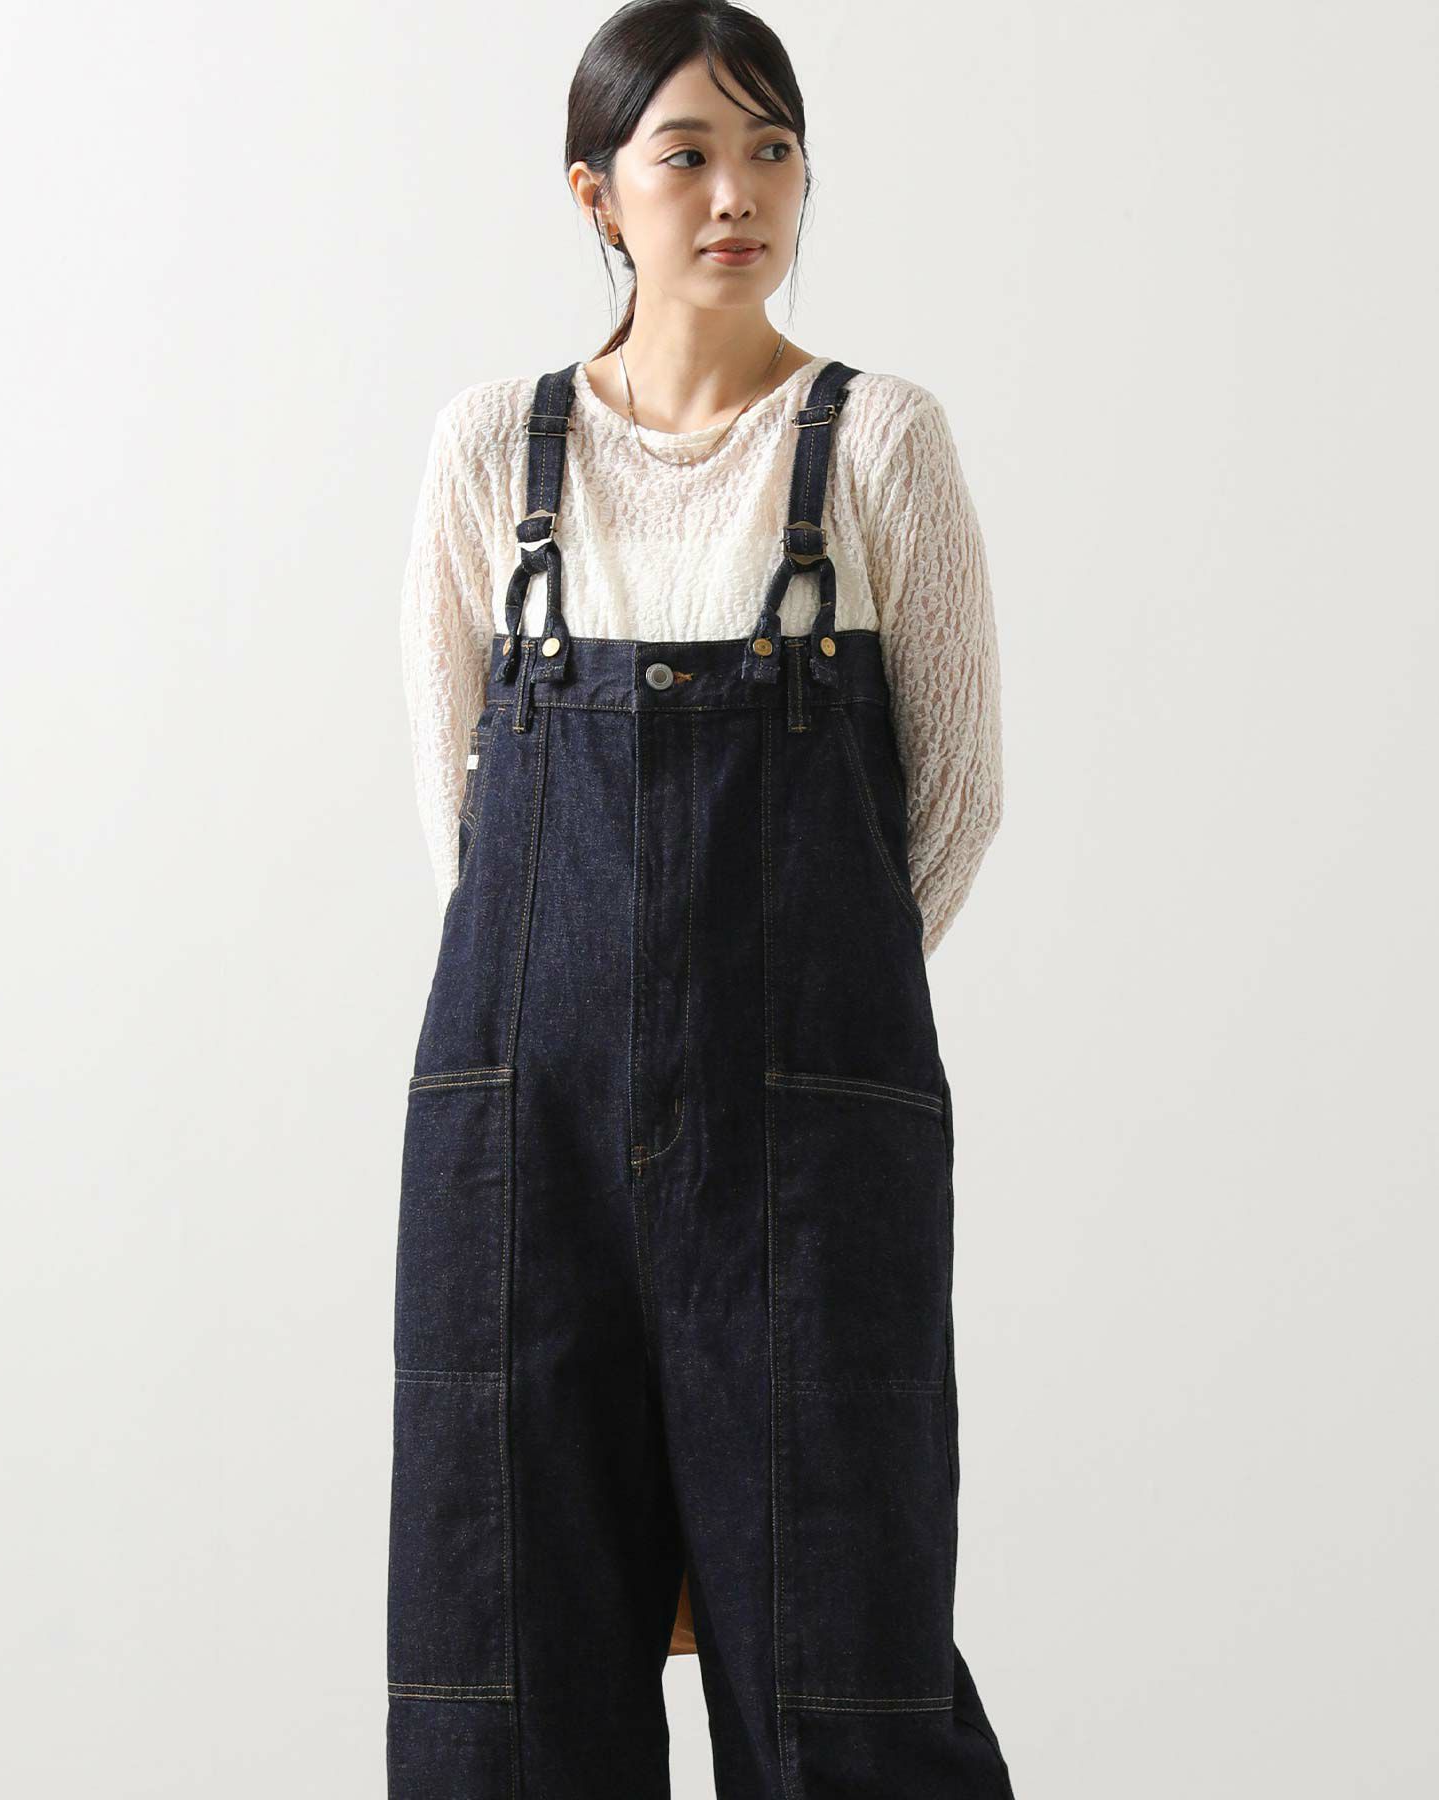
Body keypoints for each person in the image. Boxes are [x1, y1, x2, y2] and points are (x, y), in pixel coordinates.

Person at [388, 4, 1016, 1795]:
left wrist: (798, 1005)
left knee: (841, 1664)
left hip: (810, 1132)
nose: (737, 194)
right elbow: (460, 815)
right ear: (597, 192)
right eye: (687, 154)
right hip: (529, 1137)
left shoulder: (879, 440)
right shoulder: (489, 451)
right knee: (507, 1667)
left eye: (772, 150)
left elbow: (956, 799)